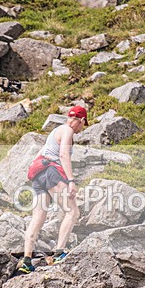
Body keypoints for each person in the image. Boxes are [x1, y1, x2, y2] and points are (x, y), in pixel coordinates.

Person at [16, 106, 88, 274]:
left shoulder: (55, 132)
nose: (81, 129)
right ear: (82, 120)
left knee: (38, 217)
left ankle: (27, 261)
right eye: (83, 125)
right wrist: (71, 181)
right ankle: (59, 253)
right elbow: (63, 155)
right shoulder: (67, 130)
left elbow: (38, 156)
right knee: (72, 212)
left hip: (38, 173)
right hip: (51, 172)